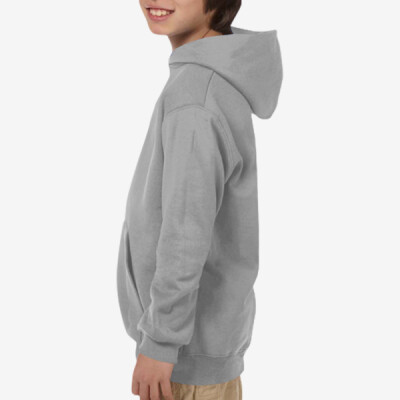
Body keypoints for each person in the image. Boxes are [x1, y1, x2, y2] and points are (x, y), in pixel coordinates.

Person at [116, 0, 283, 398]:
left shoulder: (196, 96)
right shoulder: (208, 79)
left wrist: (160, 342)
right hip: (199, 352)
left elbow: (185, 235)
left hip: (183, 361)